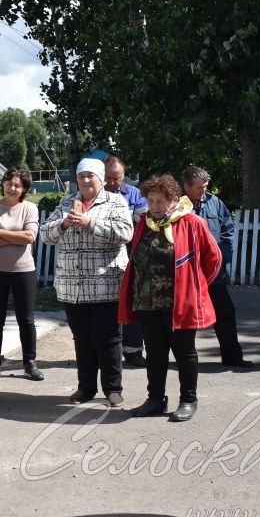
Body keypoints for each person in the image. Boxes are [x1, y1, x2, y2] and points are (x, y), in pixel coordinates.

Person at [118, 175, 223, 421]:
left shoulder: (192, 222)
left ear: (174, 200)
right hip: (147, 300)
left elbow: (213, 259)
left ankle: (188, 400)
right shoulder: (144, 223)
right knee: (154, 352)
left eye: (160, 201)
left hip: (179, 302)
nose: (154, 206)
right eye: (150, 201)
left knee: (184, 352)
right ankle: (156, 399)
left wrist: (196, 286)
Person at [41, 158, 133, 406]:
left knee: (109, 339)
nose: (85, 181)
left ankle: (113, 388)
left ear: (101, 178)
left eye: (90, 176)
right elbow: (45, 235)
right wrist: (63, 223)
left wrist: (90, 223)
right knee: (82, 339)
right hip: (73, 286)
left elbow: (125, 233)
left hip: (105, 283)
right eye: (81, 176)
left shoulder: (115, 202)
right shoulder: (66, 203)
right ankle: (86, 388)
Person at [181, 167, 253, 368]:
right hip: (186, 274)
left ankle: (232, 357)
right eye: (198, 188)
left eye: (205, 187)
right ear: (186, 186)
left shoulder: (215, 202)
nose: (203, 191)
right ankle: (185, 360)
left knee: (225, 313)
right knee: (186, 318)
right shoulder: (176, 205)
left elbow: (227, 231)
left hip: (213, 273)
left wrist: (223, 257)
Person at [0, 167, 44, 382]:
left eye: (17, 185)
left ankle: (30, 362)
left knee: (26, 319)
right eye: (9, 183)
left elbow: (29, 237)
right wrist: (15, 237)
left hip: (24, 271)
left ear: (24, 188)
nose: (12, 188)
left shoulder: (30, 208)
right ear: (3, 184)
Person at [104, 155, 148, 367]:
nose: (112, 182)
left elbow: (143, 219)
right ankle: (106, 352)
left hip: (131, 258)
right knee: (106, 308)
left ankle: (133, 351)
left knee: (132, 304)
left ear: (124, 176)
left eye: (117, 178)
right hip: (103, 260)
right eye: (108, 178)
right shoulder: (96, 193)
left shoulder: (135, 194)